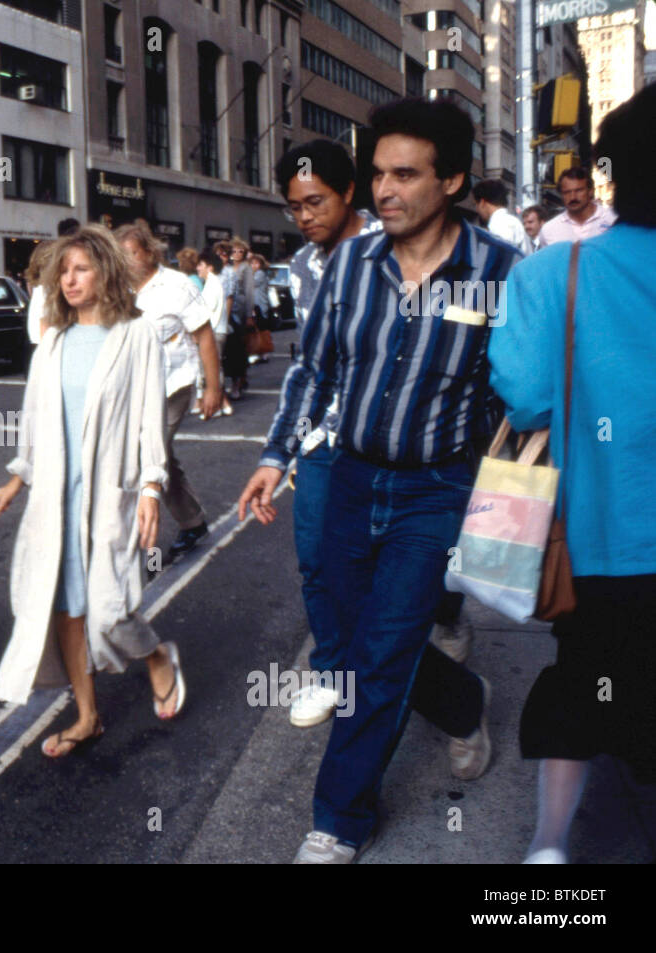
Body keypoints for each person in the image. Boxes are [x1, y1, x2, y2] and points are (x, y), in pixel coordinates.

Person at [239, 97, 522, 863]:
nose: (384, 189)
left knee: (382, 654)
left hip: (436, 492)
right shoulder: (351, 269)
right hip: (352, 477)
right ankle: (464, 703)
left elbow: (522, 396)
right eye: (378, 174)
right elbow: (313, 369)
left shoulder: (498, 272)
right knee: (362, 639)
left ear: (453, 179)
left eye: (406, 174)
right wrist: (277, 456)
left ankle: (338, 820)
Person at [490, 85, 656, 864]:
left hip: (595, 537)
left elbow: (523, 399)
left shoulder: (553, 274)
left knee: (586, 673)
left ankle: (550, 847)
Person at [0, 225, 184, 755]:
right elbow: (34, 419)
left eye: (80, 269)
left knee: (109, 608)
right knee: (68, 611)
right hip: (56, 496)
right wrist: (14, 480)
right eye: (63, 272)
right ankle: (87, 716)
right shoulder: (53, 342)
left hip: (111, 493)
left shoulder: (136, 334)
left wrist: (149, 488)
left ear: (105, 272)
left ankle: (157, 656)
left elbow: (150, 420)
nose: (69, 280)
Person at [272, 139, 383, 728]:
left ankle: (445, 640)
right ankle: (332, 670)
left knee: (385, 574)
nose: (305, 216)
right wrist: (289, 445)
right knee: (316, 560)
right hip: (322, 441)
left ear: (347, 193)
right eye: (295, 207)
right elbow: (311, 362)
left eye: (315, 202)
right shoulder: (299, 267)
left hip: (388, 438)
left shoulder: (389, 252)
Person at [116, 221, 222, 560]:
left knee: (146, 454)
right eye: (120, 256)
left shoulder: (177, 286)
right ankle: (192, 521)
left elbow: (204, 336)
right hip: (135, 390)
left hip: (173, 385)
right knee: (161, 456)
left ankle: (135, 542)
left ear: (149, 252)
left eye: (131, 254)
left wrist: (213, 388)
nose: (126, 261)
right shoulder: (117, 290)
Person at [195, 250, 233, 416]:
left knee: (212, 369)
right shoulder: (213, 283)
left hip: (214, 332)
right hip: (217, 331)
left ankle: (216, 405)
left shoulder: (212, 284)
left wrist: (201, 335)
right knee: (215, 367)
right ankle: (221, 404)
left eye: (200, 265)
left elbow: (209, 314)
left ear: (209, 267)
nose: (198, 269)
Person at [539, 167, 617, 245]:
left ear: (590, 191)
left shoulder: (612, 220)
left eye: (579, 190)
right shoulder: (549, 230)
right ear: (561, 195)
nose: (573, 197)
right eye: (567, 192)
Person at [219, 239, 254, 400]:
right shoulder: (224, 268)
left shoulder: (245, 268)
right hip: (224, 311)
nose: (237, 254)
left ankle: (239, 378)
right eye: (234, 251)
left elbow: (248, 290)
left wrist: (249, 314)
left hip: (238, 310)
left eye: (240, 251)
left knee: (239, 346)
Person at [472, 178, 533, 255]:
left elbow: (501, 260)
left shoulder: (500, 225)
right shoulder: (511, 221)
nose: (477, 210)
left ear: (482, 202)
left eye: (475, 205)